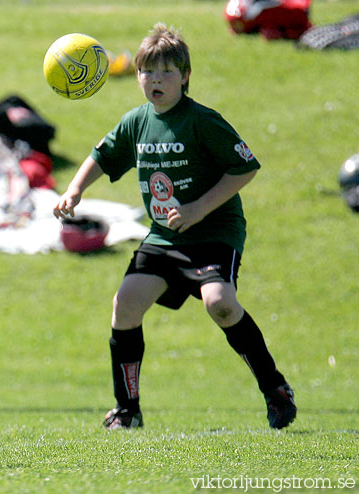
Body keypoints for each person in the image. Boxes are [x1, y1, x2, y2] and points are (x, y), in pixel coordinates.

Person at [53, 23, 296, 430]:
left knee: (219, 303)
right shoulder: (137, 122)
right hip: (165, 237)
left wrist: (200, 207)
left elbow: (244, 168)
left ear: (185, 76)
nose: (156, 80)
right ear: (138, 77)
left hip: (213, 233)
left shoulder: (202, 121)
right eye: (148, 72)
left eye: (167, 71)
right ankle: (127, 410)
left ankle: (275, 388)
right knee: (125, 304)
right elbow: (102, 154)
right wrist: (75, 190)